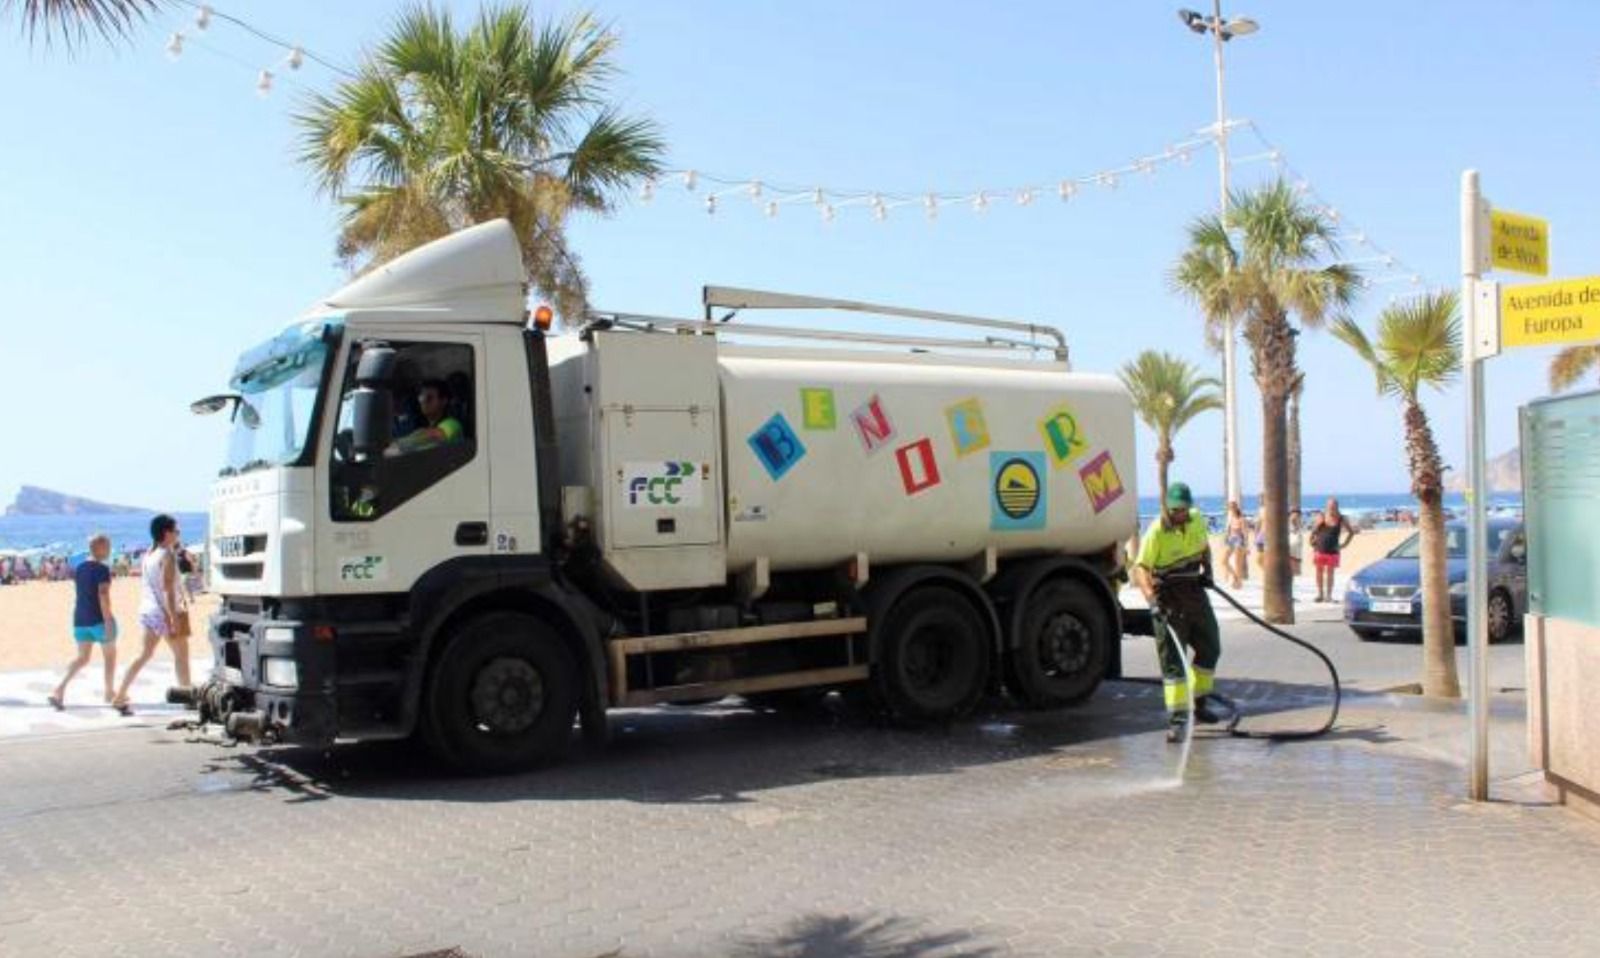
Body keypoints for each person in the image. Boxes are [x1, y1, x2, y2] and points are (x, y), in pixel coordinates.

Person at [1133, 482, 1222, 743]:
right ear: (1167, 508)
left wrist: (1208, 571)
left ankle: (1200, 704)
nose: (1179, 513)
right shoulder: (1156, 531)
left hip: (1195, 594)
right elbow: (1140, 569)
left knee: (1211, 647)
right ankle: (1179, 721)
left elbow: (1204, 548)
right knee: (1175, 664)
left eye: (1183, 509)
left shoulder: (1197, 520)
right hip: (1168, 600)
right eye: (1175, 510)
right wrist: (1152, 601)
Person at [112, 515, 189, 715]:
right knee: (181, 656)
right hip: (167, 611)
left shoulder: (149, 554)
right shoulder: (167, 555)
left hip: (148, 610)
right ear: (166, 533)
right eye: (176, 531)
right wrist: (173, 618)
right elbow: (168, 590)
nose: (178, 534)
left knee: (143, 655)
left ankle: (120, 695)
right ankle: (188, 697)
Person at [48, 534, 118, 710]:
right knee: (109, 656)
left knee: (82, 658)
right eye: (108, 546)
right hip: (98, 619)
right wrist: (108, 620)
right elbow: (103, 595)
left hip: (80, 619)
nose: (110, 550)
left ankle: (59, 689)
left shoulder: (79, 568)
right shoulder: (102, 569)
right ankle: (109, 692)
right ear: (100, 548)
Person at [387, 379, 464, 456]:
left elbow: (434, 435)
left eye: (429, 398)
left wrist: (395, 446)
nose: (423, 401)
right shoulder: (421, 426)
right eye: (421, 397)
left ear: (443, 401)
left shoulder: (453, 424)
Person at [1310, 497, 1357, 603]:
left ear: (1337, 506)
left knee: (1330, 573)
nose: (1331, 508)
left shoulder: (1341, 518)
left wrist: (1344, 545)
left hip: (1333, 550)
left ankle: (1329, 596)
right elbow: (1313, 531)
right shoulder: (1321, 516)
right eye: (1329, 506)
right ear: (1326, 506)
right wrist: (1316, 527)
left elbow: (1351, 532)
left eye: (1333, 506)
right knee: (1319, 572)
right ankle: (1320, 595)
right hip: (1320, 549)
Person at [1222, 501, 1249, 590]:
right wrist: (1225, 538)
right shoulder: (1231, 518)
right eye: (1230, 507)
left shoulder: (1242, 519)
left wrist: (1246, 546)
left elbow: (1245, 533)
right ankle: (1235, 577)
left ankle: (1238, 584)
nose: (1231, 509)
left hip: (1239, 541)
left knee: (1238, 564)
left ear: (1236, 507)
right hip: (1231, 540)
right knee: (1224, 561)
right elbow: (1228, 531)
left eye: (1232, 507)